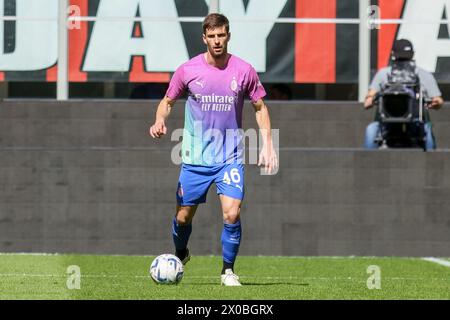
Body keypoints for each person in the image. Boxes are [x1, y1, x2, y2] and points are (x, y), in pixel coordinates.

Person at [149, 13, 278, 286]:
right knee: (183, 217)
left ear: (228, 36)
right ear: (204, 38)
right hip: (196, 158)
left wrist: (268, 144)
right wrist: (160, 119)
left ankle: (228, 271)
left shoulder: (244, 70)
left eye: (222, 35)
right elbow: (168, 101)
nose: (217, 41)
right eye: (212, 36)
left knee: (232, 213)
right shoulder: (188, 70)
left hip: (229, 158)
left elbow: (260, 108)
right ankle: (181, 253)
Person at [363, 39, 444, 150]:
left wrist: (433, 103)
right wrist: (372, 99)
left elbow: (438, 101)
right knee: (371, 130)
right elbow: (368, 100)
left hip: (415, 123)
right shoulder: (383, 74)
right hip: (387, 123)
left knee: (427, 130)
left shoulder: (423, 75)